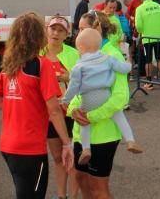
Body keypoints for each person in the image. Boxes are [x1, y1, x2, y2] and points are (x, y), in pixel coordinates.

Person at [0, 12, 73, 199]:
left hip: (8, 145)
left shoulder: (9, 65)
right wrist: (67, 144)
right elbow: (53, 110)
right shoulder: (42, 66)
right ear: (39, 36)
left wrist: (22, 105)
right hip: (30, 148)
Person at [62, 28, 141, 159]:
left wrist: (66, 100)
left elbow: (73, 86)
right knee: (119, 117)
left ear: (80, 47)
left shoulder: (79, 66)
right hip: (105, 95)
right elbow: (124, 68)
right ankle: (130, 140)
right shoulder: (108, 58)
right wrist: (128, 64)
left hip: (88, 98)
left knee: (84, 122)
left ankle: (86, 149)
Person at [66, 38, 130, 199]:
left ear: (97, 29)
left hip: (104, 136)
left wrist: (90, 116)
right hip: (81, 134)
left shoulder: (112, 56)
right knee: (82, 179)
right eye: (79, 29)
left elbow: (120, 98)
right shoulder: (84, 56)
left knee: (98, 188)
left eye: (83, 28)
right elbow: (78, 91)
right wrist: (73, 109)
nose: (79, 34)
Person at [40, 16, 80, 199]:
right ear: (47, 30)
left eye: (60, 30)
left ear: (67, 34)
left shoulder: (73, 53)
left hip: (71, 112)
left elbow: (84, 80)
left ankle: (72, 196)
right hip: (49, 114)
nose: (55, 33)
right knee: (57, 158)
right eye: (53, 29)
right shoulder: (37, 53)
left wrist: (68, 77)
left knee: (71, 158)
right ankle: (61, 195)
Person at [135, 0, 160, 90]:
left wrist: (142, 32)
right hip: (159, 36)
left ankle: (149, 82)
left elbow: (138, 26)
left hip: (147, 37)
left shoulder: (140, 8)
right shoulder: (158, 6)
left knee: (148, 60)